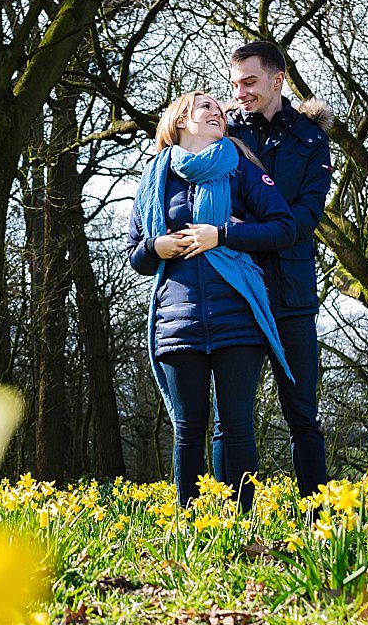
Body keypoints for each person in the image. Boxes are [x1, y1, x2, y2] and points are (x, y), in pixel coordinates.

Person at [126, 90, 296, 511]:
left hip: (238, 317)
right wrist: (157, 246)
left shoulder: (241, 169)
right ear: (181, 119)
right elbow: (135, 253)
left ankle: (240, 521)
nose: (218, 112)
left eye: (221, 109)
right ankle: (192, 528)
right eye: (207, 107)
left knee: (236, 425)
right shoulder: (156, 177)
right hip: (177, 321)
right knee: (187, 428)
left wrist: (223, 234)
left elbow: (284, 228)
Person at [223, 40, 335, 497]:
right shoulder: (222, 135)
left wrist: (244, 230)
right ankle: (229, 520)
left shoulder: (312, 140)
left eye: (249, 82)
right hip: (236, 292)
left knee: (303, 414)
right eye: (234, 85)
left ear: (277, 79)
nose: (240, 93)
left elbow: (305, 220)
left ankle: (318, 522)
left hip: (292, 292)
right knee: (229, 419)